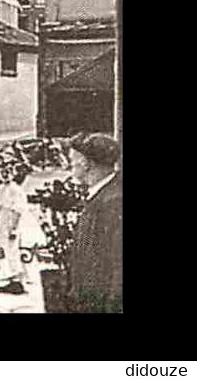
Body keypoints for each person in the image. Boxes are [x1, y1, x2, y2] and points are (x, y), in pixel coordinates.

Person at [66, 132, 122, 313]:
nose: (69, 165)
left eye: (72, 159)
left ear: (86, 163)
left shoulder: (113, 202)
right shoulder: (103, 195)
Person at [0, 163, 30, 293]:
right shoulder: (0, 189)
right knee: (2, 248)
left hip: (11, 220)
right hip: (2, 220)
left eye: (7, 172)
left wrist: (14, 228)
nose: (4, 175)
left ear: (13, 174)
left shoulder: (16, 190)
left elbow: (19, 210)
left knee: (12, 249)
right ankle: (8, 277)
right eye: (2, 173)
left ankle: (17, 281)